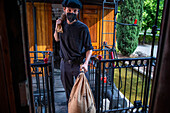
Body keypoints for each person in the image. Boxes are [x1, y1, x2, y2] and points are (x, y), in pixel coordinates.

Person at [54, 0, 93, 104]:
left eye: (75, 11)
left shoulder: (83, 28)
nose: (72, 12)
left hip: (79, 65)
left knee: (82, 92)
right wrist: (56, 27)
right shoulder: (61, 24)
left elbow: (89, 48)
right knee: (68, 92)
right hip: (65, 64)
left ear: (78, 11)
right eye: (69, 10)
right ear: (64, 10)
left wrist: (86, 63)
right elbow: (57, 39)